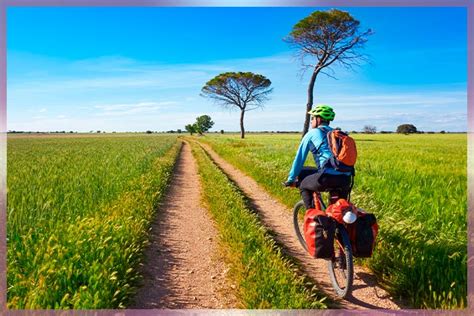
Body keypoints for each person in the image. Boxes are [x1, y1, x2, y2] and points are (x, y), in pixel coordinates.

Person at [284, 104, 353, 209]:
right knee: (340, 211)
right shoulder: (339, 134)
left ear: (318, 119)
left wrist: (291, 179)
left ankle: (313, 216)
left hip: (326, 179)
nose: (311, 121)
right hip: (346, 179)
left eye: (312, 118)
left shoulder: (312, 133)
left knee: (303, 184)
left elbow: (299, 159)